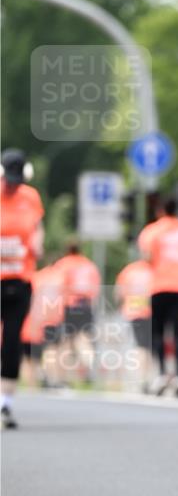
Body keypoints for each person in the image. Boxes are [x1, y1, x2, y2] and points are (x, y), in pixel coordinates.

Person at [1, 149, 44, 429]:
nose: (13, 186)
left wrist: (36, 243)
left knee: (13, 339)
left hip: (20, 279)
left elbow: (38, 229)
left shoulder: (31, 197)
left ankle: (6, 402)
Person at [138, 197, 178, 396]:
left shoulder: (152, 231)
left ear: (161, 211)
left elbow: (146, 257)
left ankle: (163, 374)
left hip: (160, 286)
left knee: (159, 332)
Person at [54, 241, 101, 384]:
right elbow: (96, 288)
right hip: (86, 304)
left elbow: (57, 286)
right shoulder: (89, 265)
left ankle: (63, 378)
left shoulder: (63, 264)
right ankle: (90, 364)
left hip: (69, 304)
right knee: (84, 337)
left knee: (67, 340)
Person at [114, 254, 154, 392]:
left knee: (140, 346)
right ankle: (145, 378)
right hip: (149, 311)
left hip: (133, 312)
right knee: (147, 346)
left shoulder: (129, 271)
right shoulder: (153, 269)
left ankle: (142, 379)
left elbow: (119, 292)